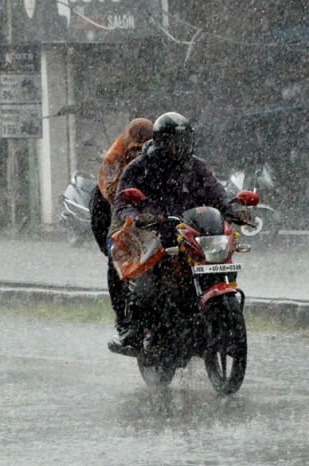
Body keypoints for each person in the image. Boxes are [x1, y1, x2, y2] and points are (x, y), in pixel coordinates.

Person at [108, 112, 252, 352]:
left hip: (195, 234)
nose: (180, 146)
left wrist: (235, 211)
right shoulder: (140, 167)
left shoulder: (197, 166)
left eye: (184, 140)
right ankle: (134, 331)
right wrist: (138, 217)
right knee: (149, 284)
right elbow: (124, 202)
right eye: (175, 141)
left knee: (217, 262)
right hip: (157, 235)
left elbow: (217, 195)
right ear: (162, 141)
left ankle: (210, 320)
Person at [89, 118, 153, 345]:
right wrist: (129, 208)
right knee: (117, 261)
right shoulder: (114, 159)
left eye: (143, 148)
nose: (139, 154)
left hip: (157, 213)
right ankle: (124, 320)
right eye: (135, 149)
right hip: (122, 211)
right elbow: (109, 191)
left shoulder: (161, 154)